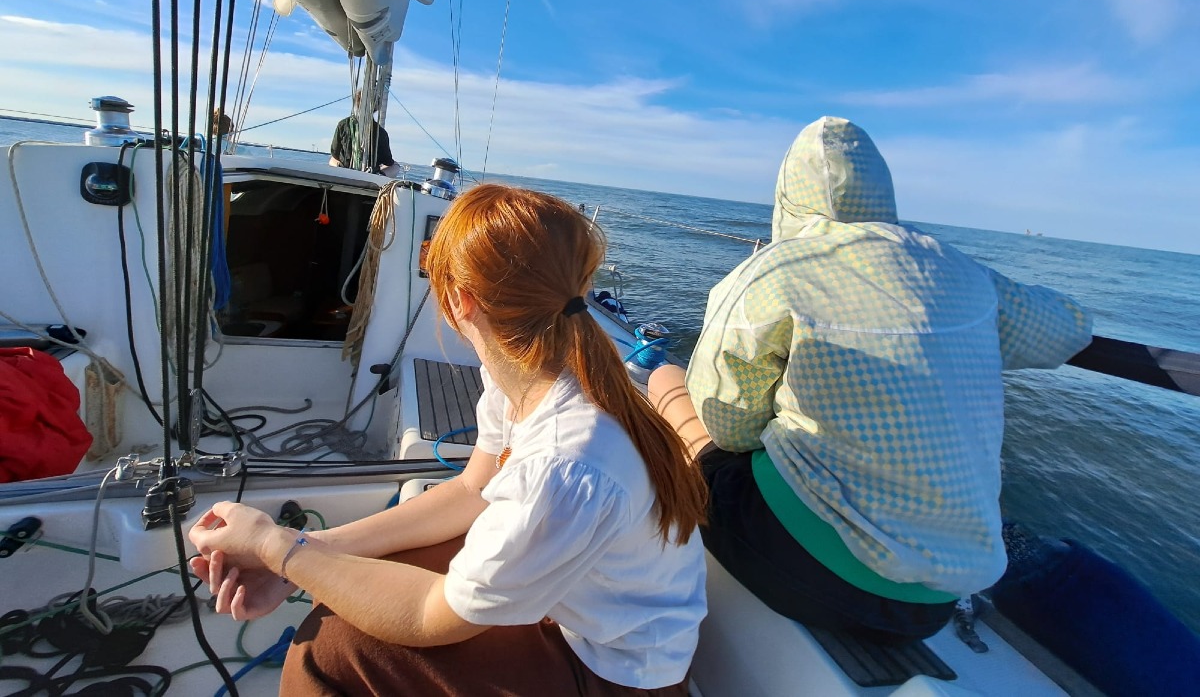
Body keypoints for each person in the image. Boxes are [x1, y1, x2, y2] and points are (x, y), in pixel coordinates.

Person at [189, 183, 708, 695]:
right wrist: (308, 554)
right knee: (352, 586)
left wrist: (275, 545)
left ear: (461, 302)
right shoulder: (536, 376)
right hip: (577, 602)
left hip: (617, 671)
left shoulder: (563, 462)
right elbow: (471, 490)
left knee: (326, 653)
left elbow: (426, 614)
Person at [647, 116, 1093, 645]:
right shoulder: (960, 270)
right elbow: (1069, 330)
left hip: (800, 570)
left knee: (667, 380)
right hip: (934, 604)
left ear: (788, 195)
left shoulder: (775, 270)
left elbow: (730, 427)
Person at [329, 90, 400, 176]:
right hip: (369, 175)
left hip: (344, 172)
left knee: (332, 159)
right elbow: (388, 161)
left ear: (357, 103)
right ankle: (378, 175)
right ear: (376, 108)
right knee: (396, 166)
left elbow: (335, 153)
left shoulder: (343, 124)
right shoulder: (381, 133)